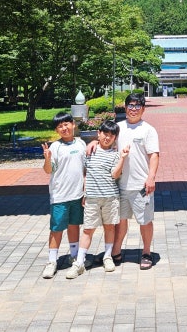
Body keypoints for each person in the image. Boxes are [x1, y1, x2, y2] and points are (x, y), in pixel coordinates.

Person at [66, 120, 129, 279]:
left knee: (109, 228)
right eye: (105, 134)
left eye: (111, 136)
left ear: (115, 138)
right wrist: (84, 192)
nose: (107, 138)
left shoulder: (115, 154)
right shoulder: (90, 151)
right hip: (92, 198)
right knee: (88, 229)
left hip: (110, 197)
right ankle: (79, 262)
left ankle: (107, 256)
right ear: (98, 134)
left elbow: (115, 175)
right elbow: (84, 172)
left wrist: (122, 158)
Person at [112, 92, 160, 270]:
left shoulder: (148, 130)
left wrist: (151, 177)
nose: (133, 109)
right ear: (125, 108)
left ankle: (146, 252)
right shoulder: (118, 128)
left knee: (145, 220)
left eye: (137, 106)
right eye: (130, 105)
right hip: (120, 185)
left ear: (143, 109)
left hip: (141, 185)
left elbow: (154, 155)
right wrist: (92, 143)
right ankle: (116, 250)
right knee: (120, 220)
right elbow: (104, 141)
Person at [41, 112, 86, 279]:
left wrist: (86, 191)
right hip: (60, 196)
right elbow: (48, 170)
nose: (64, 128)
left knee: (74, 225)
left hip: (77, 194)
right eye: (60, 126)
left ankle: (74, 255)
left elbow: (85, 168)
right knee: (57, 228)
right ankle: (52, 261)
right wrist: (47, 159)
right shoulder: (55, 147)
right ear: (57, 130)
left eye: (66, 124)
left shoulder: (81, 143)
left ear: (73, 124)